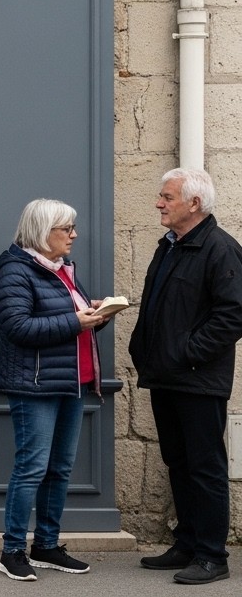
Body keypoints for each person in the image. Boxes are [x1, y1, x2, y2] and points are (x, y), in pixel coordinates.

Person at [129, 167, 242, 585]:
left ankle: (213, 556)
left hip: (197, 378)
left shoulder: (220, 249)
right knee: (178, 462)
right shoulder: (171, 245)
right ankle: (188, 543)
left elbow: (232, 316)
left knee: (205, 466)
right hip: (167, 375)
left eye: (167, 197)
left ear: (194, 204)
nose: (159, 203)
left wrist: (187, 353)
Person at [0, 199, 107, 581]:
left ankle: (46, 545)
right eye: (66, 228)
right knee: (32, 468)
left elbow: (68, 322)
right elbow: (18, 328)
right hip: (35, 385)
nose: (74, 235)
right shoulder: (15, 271)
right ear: (43, 233)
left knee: (60, 469)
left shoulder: (62, 270)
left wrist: (96, 314)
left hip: (73, 382)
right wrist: (76, 320)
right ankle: (11, 551)